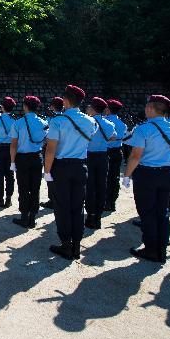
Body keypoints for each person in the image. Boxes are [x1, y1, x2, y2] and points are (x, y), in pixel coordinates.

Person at [122, 95, 170, 264]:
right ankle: (162, 248)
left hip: (147, 174)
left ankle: (151, 249)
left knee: (147, 213)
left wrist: (127, 175)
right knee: (162, 212)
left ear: (150, 108)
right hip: (167, 172)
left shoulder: (143, 129)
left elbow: (135, 156)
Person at [44, 85, 98, 260]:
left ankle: (66, 244)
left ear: (66, 100)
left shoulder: (58, 121)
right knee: (77, 206)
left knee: (62, 207)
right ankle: (76, 245)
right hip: (81, 166)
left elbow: (51, 150)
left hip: (61, 167)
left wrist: (46, 171)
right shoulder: (90, 121)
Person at [9, 95, 48, 228]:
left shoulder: (18, 123)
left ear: (25, 106)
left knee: (24, 188)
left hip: (22, 158)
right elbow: (46, 142)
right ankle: (33, 217)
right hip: (37, 157)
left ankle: (24, 216)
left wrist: (13, 162)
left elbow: (13, 145)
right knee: (35, 188)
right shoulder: (44, 123)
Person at [84, 97, 117, 230]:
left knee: (90, 187)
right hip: (103, 157)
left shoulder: (87, 123)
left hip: (89, 156)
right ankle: (98, 216)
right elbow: (113, 138)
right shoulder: (109, 124)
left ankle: (90, 215)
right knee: (101, 186)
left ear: (92, 108)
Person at [40, 96, 64, 209]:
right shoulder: (67, 118)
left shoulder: (50, 119)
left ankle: (52, 199)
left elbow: (45, 135)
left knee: (49, 174)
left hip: (50, 148)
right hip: (64, 150)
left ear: (52, 106)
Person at [103, 99, 127, 212]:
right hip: (117, 151)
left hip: (105, 152)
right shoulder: (122, 124)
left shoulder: (105, 122)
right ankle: (111, 202)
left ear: (108, 109)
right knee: (114, 177)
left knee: (103, 177)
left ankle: (104, 201)